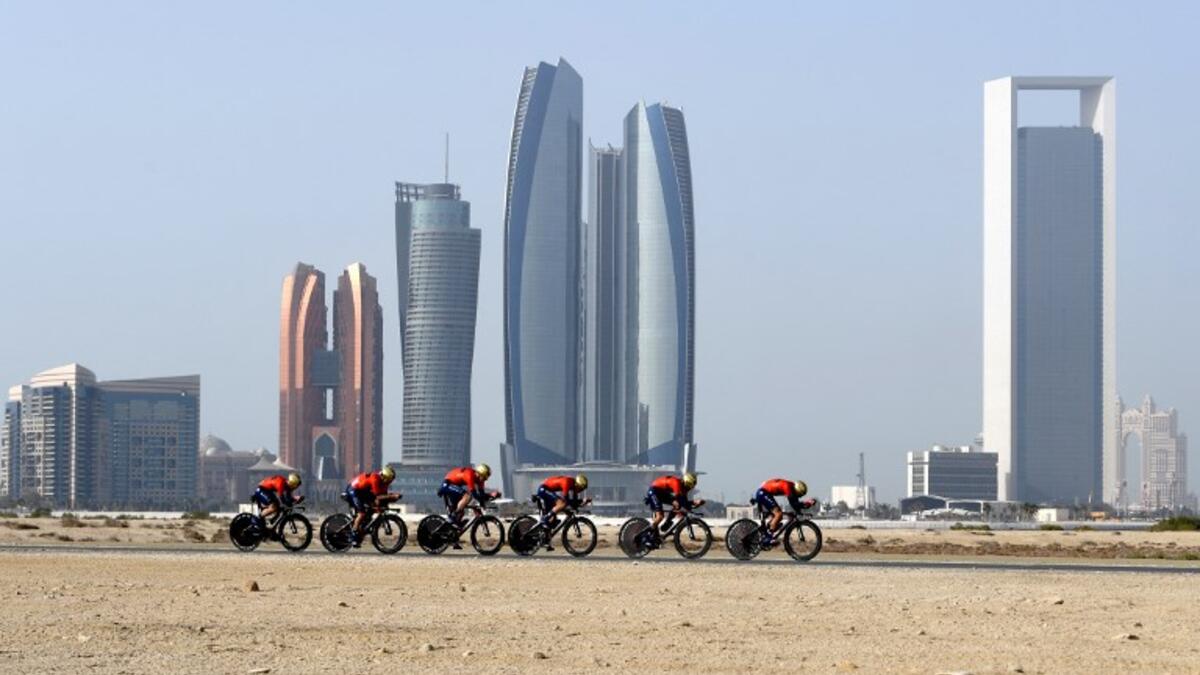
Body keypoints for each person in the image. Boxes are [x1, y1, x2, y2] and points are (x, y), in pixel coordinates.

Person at [641, 472, 702, 545]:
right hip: (654, 491)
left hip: (661, 492)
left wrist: (696, 504)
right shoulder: (676, 483)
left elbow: (685, 504)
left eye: (691, 487)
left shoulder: (684, 488)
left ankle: (667, 523)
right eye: (689, 486)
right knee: (660, 516)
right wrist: (693, 502)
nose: (689, 488)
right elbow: (680, 500)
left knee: (677, 505)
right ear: (686, 482)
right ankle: (645, 537)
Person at [345, 466, 400, 546]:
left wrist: (391, 500)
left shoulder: (385, 483)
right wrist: (393, 496)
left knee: (371, 510)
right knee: (362, 513)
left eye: (391, 480)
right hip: (353, 490)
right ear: (384, 477)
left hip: (362, 492)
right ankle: (353, 536)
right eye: (389, 479)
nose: (390, 482)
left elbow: (382, 498)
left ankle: (362, 528)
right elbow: (378, 496)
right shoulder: (375, 479)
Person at [534, 474, 590, 545]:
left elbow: (574, 503)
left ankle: (544, 540)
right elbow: (566, 501)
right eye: (581, 488)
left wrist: (583, 502)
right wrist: (581, 501)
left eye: (583, 489)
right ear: (577, 484)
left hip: (549, 491)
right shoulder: (567, 482)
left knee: (552, 520)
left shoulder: (574, 486)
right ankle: (544, 520)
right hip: (544, 489)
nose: (581, 491)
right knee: (562, 503)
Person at [754, 478, 808, 546]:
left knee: (777, 518)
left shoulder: (792, 487)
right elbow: (793, 504)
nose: (799, 497)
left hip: (764, 492)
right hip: (763, 492)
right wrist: (806, 504)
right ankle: (768, 538)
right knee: (778, 514)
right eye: (799, 495)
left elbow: (795, 504)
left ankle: (767, 532)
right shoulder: (788, 487)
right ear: (797, 490)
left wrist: (801, 509)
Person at [252, 473, 303, 537]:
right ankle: (256, 519)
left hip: (267, 491)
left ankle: (271, 527)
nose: (296, 488)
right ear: (292, 483)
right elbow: (282, 499)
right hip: (261, 490)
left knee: (278, 507)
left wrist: (296, 499)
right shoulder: (281, 483)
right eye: (296, 486)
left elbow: (288, 499)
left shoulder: (287, 486)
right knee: (274, 507)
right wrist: (292, 501)